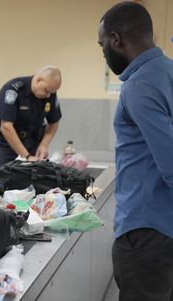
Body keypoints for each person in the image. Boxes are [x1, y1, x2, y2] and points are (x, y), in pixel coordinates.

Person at [98, 2, 173, 300]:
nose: (103, 52)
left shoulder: (139, 85)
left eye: (102, 44)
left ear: (116, 40)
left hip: (146, 231)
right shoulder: (167, 71)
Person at [0, 66, 62, 169]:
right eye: (47, 90)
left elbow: (54, 123)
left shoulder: (50, 94)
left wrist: (44, 145)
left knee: (35, 181)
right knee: (4, 178)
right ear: (39, 80)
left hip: (33, 142)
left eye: (51, 92)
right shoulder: (13, 90)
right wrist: (26, 156)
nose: (48, 96)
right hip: (7, 144)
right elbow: (6, 126)